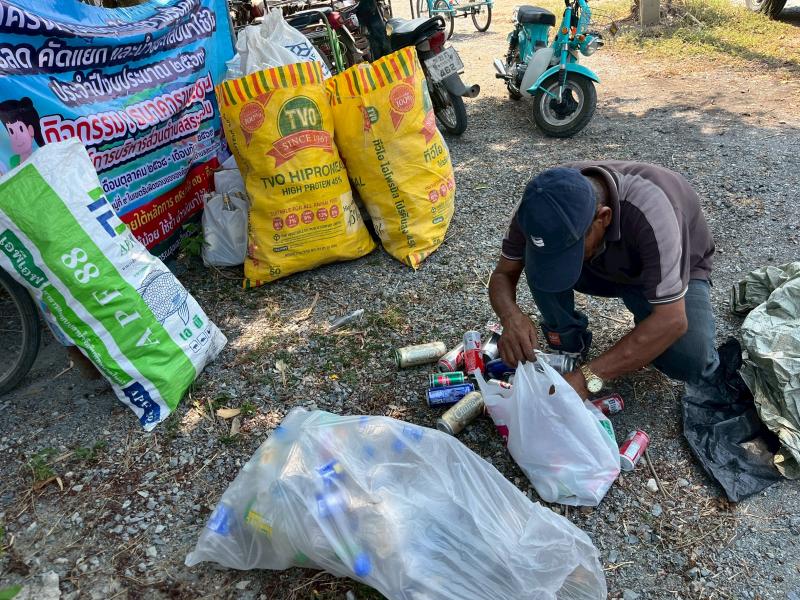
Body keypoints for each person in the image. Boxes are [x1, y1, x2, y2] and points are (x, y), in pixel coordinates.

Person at [488, 161, 718, 399]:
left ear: (604, 217)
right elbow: (504, 273)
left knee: (689, 359)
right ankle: (569, 340)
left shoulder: (655, 211)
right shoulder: (536, 208)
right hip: (600, 263)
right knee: (539, 262)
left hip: (667, 270)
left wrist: (587, 378)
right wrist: (510, 317)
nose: (560, 261)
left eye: (570, 250)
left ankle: (651, 310)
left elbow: (673, 320)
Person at [0, 97, 45, 172]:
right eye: (11, 132)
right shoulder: (13, 161)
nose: (16, 138)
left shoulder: (42, 153)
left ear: (31, 130)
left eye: (21, 129)